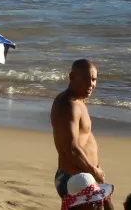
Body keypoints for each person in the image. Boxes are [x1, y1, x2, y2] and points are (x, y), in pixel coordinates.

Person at [53, 60, 109, 207]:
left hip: (86, 174)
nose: (91, 84)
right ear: (71, 77)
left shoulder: (79, 101)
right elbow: (71, 148)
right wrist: (94, 171)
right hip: (75, 179)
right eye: (85, 79)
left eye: (94, 79)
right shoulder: (68, 104)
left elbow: (84, 141)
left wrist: (95, 170)